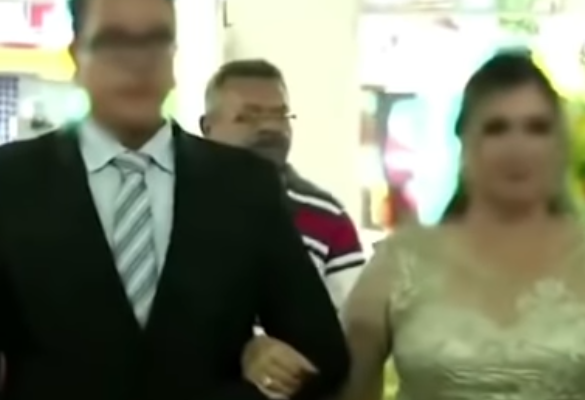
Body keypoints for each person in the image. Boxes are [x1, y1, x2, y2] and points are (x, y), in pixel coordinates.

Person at [0, 0, 349, 399]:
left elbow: (324, 356)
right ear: (77, 55)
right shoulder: (12, 183)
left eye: (156, 40)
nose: (139, 63)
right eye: (115, 41)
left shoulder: (244, 187)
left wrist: (259, 366)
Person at [336, 52, 585, 400]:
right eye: (497, 128)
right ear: (465, 139)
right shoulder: (401, 262)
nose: (517, 148)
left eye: (536, 128)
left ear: (559, 143)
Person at [200, 59, 364, 398]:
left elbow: (350, 337)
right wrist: (246, 348)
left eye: (280, 115)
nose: (269, 128)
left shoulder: (327, 217)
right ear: (207, 127)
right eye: (249, 116)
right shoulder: (172, 209)